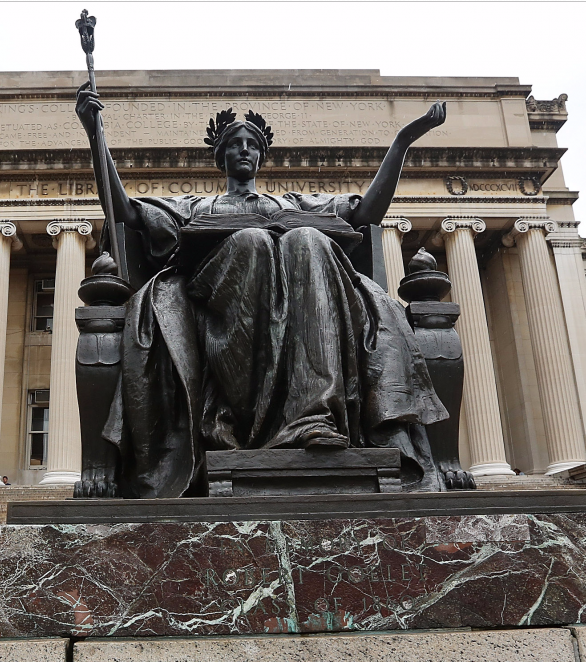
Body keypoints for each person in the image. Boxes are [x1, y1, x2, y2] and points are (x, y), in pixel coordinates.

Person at [75, 86, 449, 497]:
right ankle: (235, 419)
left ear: (260, 155)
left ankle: (313, 417)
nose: (244, 150)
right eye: (234, 144)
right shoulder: (196, 206)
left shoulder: (291, 203)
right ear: (221, 156)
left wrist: (402, 142)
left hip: (300, 304)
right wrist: (95, 133)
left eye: (252, 144)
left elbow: (366, 213)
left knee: (308, 239)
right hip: (217, 306)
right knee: (251, 241)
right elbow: (125, 210)